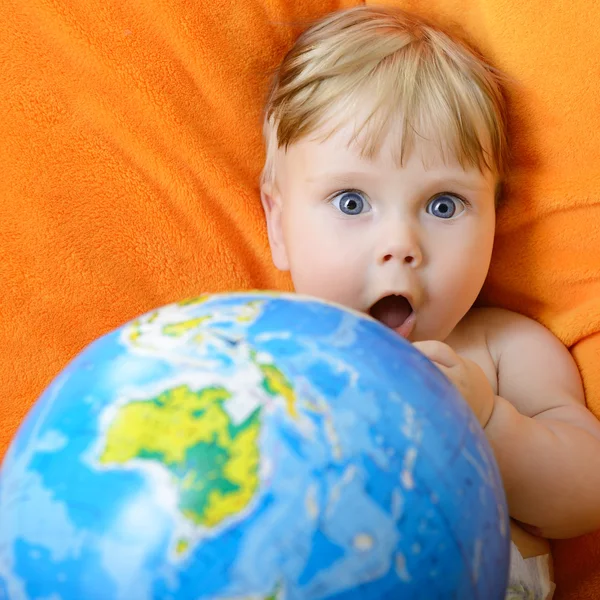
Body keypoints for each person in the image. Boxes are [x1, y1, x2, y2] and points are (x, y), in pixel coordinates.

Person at [259, 5, 600, 598]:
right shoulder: (260, 352)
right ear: (279, 222)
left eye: (444, 205)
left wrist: (491, 421)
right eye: (351, 201)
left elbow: (587, 496)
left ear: (497, 215)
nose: (400, 246)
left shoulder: (502, 351)